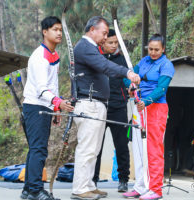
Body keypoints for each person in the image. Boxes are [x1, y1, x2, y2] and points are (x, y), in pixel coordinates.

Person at [71, 16, 140, 200]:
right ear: (92, 29)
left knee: (93, 149)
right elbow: (104, 66)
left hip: (99, 103)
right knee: (87, 148)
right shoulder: (85, 47)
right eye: (103, 33)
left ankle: (89, 185)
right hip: (89, 103)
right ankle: (79, 188)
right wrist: (127, 72)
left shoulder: (91, 48)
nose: (104, 37)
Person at [20, 16, 74, 200]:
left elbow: (53, 85)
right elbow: (42, 88)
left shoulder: (54, 55)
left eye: (60, 29)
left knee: (36, 148)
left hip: (44, 106)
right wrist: (58, 102)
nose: (59, 33)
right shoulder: (39, 57)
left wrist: (56, 108)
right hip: (35, 106)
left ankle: (28, 190)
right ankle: (35, 190)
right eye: (55, 29)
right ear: (45, 32)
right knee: (39, 149)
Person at [123, 34, 175, 200]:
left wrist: (146, 101)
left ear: (163, 49)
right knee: (138, 149)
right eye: (151, 49)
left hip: (155, 108)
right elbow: (127, 77)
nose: (153, 52)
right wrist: (131, 85)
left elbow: (161, 89)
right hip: (139, 107)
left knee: (153, 149)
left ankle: (155, 189)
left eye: (157, 50)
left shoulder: (167, 65)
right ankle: (140, 186)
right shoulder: (144, 61)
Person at [93, 29, 130, 192]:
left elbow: (128, 80)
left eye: (116, 42)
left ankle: (123, 180)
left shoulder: (122, 60)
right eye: (111, 42)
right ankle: (92, 180)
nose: (114, 46)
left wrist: (130, 88)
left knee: (122, 145)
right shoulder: (95, 58)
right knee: (96, 147)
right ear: (103, 41)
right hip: (99, 107)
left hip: (119, 107)